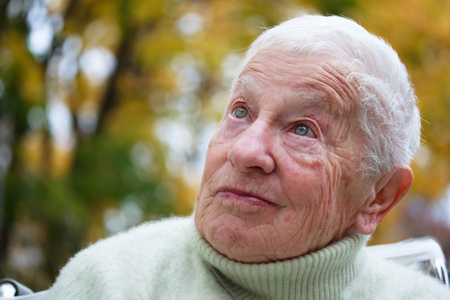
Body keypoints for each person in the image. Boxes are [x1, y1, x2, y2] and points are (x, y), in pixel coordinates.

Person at [46, 14, 450, 299]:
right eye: (241, 112)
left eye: (303, 129)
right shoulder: (110, 283)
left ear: (379, 195)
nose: (245, 151)